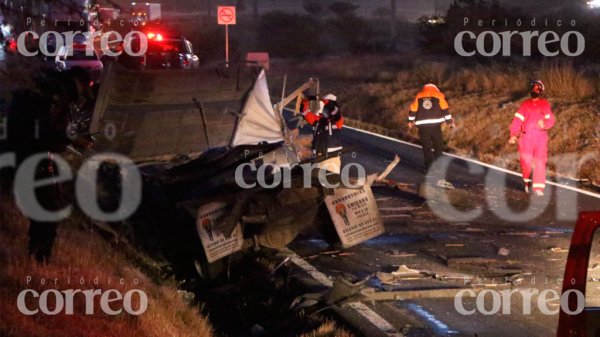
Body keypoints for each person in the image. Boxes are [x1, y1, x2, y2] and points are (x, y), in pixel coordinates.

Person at [509, 80, 555, 196]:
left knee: (540, 161)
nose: (535, 90)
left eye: (537, 89)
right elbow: (517, 121)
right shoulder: (525, 104)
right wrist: (513, 135)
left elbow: (551, 120)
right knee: (526, 163)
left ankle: (538, 188)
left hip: (540, 138)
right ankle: (527, 183)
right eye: (533, 88)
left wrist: (544, 124)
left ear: (541, 91)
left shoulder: (544, 104)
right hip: (525, 139)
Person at [407, 81, 455, 187]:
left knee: (426, 147)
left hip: (423, 126)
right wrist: (450, 122)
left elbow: (413, 110)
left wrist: (410, 121)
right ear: (435, 88)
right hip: (435, 125)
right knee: (438, 147)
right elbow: (445, 110)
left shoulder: (419, 95)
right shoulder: (438, 95)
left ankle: (429, 169)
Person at [300, 93, 344, 173]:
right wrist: (306, 101)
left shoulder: (337, 121)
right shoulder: (318, 121)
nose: (324, 109)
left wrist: (321, 99)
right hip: (316, 159)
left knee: (328, 183)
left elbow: (334, 111)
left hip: (331, 159)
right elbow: (304, 113)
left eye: (326, 106)